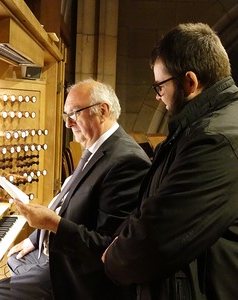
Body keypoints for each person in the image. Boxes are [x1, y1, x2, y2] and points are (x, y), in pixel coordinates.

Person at [102, 22, 238, 300]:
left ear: (190, 82)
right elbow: (152, 205)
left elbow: (159, 238)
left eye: (160, 85)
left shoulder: (215, 139)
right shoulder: (201, 127)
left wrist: (115, 256)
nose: (157, 95)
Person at [0, 78, 151, 300]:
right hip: (62, 252)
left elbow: (109, 247)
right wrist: (35, 239)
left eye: (74, 114)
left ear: (102, 111)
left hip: (83, 274)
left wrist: (51, 224)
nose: (67, 124)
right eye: (66, 116)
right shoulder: (97, 148)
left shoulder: (127, 161)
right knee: (14, 259)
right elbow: (68, 202)